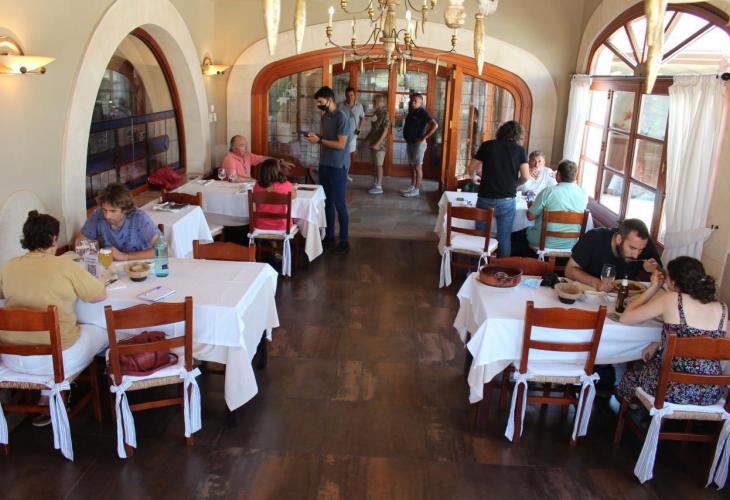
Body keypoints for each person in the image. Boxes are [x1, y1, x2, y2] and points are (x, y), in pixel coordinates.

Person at [0, 212, 107, 379]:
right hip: (56, 360)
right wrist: (99, 279)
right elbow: (99, 295)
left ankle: (48, 390)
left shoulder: (8, 266)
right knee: (102, 329)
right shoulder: (64, 265)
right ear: (54, 239)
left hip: (11, 358)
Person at [617, 257, 727, 406]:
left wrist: (653, 287)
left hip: (671, 388)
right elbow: (697, 339)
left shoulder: (673, 298)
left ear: (673, 282)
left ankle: (634, 410)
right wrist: (659, 343)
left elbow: (626, 318)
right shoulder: (722, 308)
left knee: (631, 375)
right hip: (710, 392)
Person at [467, 120, 530, 258]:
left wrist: (473, 177)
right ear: (519, 135)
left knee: (480, 236)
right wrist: (515, 184)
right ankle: (501, 268)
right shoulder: (520, 150)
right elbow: (526, 176)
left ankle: (477, 266)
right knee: (504, 238)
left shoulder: (487, 145)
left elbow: (471, 168)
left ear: (500, 132)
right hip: (507, 200)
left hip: (485, 198)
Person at [305, 86, 353, 253]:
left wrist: (319, 141)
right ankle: (330, 235)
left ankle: (344, 240)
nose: (319, 105)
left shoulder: (342, 117)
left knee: (339, 203)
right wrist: (317, 137)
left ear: (330, 99)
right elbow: (328, 139)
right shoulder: (325, 116)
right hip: (325, 164)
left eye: (320, 101)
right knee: (327, 203)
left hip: (338, 166)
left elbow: (340, 144)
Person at [566, 218, 662, 292]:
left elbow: (663, 275)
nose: (636, 256)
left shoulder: (643, 243)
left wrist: (654, 269)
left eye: (641, 250)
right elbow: (569, 270)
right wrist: (596, 283)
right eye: (632, 248)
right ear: (619, 239)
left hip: (626, 299)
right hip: (589, 292)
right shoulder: (594, 237)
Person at [76, 183, 159, 261]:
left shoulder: (139, 217)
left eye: (113, 211)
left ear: (125, 210)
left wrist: (126, 256)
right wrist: (98, 254)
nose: (107, 216)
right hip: (110, 265)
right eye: (104, 210)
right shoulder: (98, 215)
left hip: (140, 265)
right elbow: (79, 242)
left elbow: (163, 249)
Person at [523, 159, 588, 251]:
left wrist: (531, 206)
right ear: (575, 176)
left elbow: (530, 216)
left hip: (544, 241)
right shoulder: (583, 194)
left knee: (520, 233)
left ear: (558, 175)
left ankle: (527, 259)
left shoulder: (548, 192)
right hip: (572, 243)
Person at [400, 93, 438, 198]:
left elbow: (435, 125)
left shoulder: (423, 112)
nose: (413, 102)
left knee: (417, 166)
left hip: (418, 144)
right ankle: (412, 186)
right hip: (410, 143)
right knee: (412, 166)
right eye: (412, 100)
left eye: (415, 101)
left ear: (421, 103)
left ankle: (416, 189)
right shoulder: (412, 111)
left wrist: (423, 137)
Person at [222, 135, 296, 181]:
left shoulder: (248, 155)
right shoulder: (229, 159)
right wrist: (251, 180)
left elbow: (263, 158)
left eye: (246, 145)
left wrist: (280, 162)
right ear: (233, 148)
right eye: (242, 145)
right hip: (232, 190)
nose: (246, 147)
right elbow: (233, 178)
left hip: (245, 188)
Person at [252, 158, 296, 231]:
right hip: (281, 227)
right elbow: (294, 195)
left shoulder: (257, 186)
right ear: (278, 171)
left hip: (260, 226)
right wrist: (293, 188)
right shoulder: (285, 185)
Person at [365, 93, 390, 195]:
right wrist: (366, 139)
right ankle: (375, 183)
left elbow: (385, 131)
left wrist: (377, 144)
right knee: (374, 165)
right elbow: (373, 129)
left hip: (380, 145)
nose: (373, 103)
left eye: (375, 101)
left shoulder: (385, 114)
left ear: (380, 102)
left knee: (379, 165)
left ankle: (379, 186)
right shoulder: (376, 113)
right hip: (373, 142)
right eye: (373, 101)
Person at [339, 87, 365, 182]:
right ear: (345, 96)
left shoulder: (359, 106)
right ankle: (340, 174)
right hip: (341, 135)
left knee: (348, 156)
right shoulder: (340, 106)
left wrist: (358, 131)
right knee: (341, 155)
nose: (350, 97)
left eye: (351, 95)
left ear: (354, 95)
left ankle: (346, 175)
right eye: (348, 95)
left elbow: (363, 118)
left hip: (353, 136)